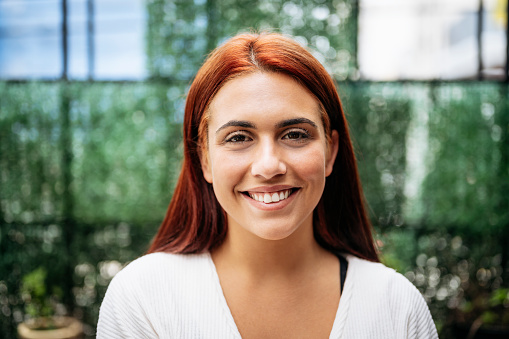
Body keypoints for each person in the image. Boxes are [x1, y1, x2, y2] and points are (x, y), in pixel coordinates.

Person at [97, 32, 438, 339]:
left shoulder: (397, 307)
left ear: (330, 151)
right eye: (238, 137)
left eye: (294, 135)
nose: (269, 166)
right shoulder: (143, 298)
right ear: (204, 159)